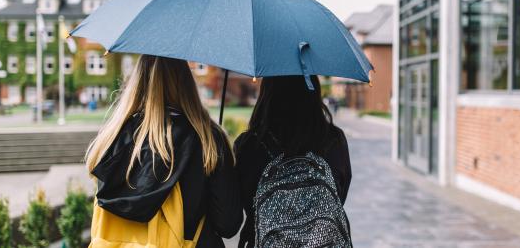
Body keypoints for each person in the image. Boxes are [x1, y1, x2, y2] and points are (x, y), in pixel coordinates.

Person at [85, 55, 242, 247]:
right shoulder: (206, 139)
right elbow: (228, 224)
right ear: (185, 82)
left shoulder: (113, 138)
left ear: (138, 81)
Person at [235, 75, 352, 248]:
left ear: (267, 93)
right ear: (314, 91)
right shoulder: (335, 139)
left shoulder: (249, 144)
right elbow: (338, 196)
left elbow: (244, 203)